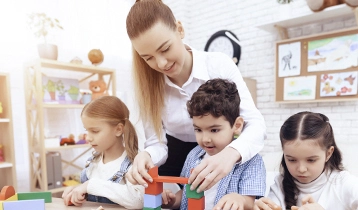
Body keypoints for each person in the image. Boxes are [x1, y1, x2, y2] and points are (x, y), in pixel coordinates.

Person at [125, 0, 266, 193]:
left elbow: (255, 124)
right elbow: (156, 143)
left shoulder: (218, 65)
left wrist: (231, 154)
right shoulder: (146, 85)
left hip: (222, 153)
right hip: (174, 160)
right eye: (148, 58)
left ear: (180, 30)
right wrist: (146, 155)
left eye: (165, 48)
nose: (161, 63)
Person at [161, 79, 266, 210]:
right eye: (198, 130)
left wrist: (239, 199)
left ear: (237, 125)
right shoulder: (194, 155)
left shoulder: (252, 161)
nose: (205, 139)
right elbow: (187, 192)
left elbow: (250, 203)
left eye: (214, 130)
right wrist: (173, 201)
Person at [254, 111, 358, 210]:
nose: (301, 169)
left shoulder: (344, 183)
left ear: (328, 154)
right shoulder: (280, 184)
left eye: (311, 160)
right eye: (292, 160)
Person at [61, 96, 144, 209]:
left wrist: (90, 185)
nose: (88, 138)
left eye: (95, 131)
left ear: (118, 129)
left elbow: (138, 201)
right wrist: (77, 190)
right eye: (87, 131)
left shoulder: (134, 164)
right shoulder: (92, 161)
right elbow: (92, 193)